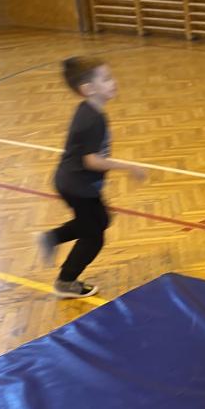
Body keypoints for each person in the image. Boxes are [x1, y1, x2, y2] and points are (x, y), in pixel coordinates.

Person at [38, 57, 146, 298]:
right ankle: (66, 281)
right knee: (94, 237)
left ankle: (51, 237)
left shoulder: (88, 110)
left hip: (73, 182)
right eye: (106, 79)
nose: (113, 82)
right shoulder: (93, 119)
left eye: (111, 77)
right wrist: (129, 167)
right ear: (88, 89)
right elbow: (91, 160)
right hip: (78, 186)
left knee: (99, 219)